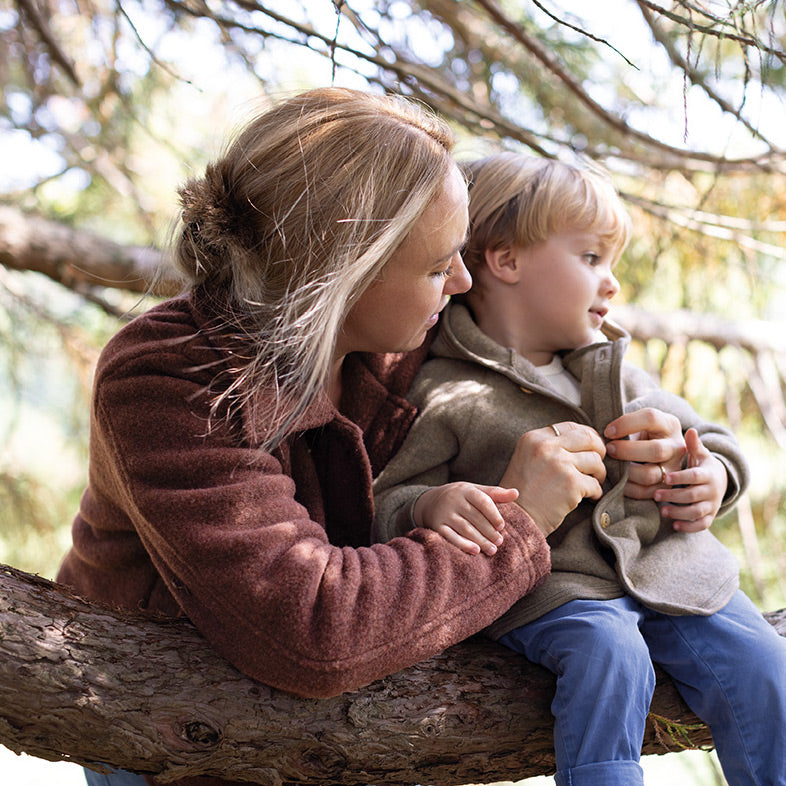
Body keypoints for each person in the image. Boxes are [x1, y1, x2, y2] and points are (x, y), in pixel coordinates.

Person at [57, 90, 610, 786]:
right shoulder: (169, 378)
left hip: (339, 734)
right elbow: (313, 625)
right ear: (344, 273)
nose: (464, 282)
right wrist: (518, 522)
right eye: (440, 267)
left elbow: (549, 323)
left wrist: (685, 454)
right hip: (161, 742)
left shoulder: (401, 326)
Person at [372, 151, 786, 786]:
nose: (612, 282)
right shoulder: (444, 389)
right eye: (592, 258)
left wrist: (708, 478)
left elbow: (711, 441)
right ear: (506, 261)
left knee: (765, 667)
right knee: (611, 656)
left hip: (673, 570)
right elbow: (387, 497)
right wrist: (430, 504)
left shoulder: (612, 365)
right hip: (557, 591)